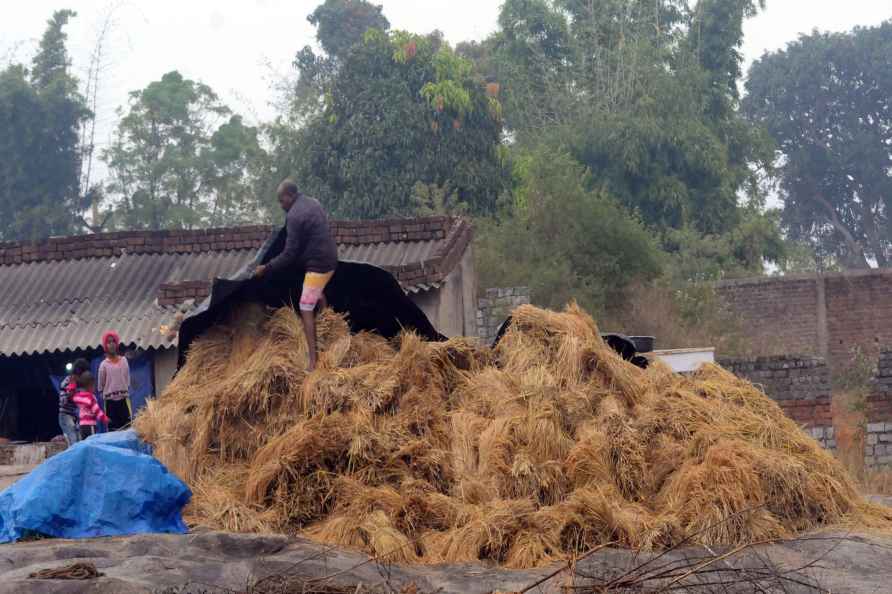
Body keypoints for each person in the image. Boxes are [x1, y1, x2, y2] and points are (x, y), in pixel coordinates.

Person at [254, 179, 338, 371]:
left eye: (281, 200)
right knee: (316, 292)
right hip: (331, 258)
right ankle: (327, 324)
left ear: (289, 196)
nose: (281, 205)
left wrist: (266, 267)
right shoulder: (314, 202)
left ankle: (313, 361)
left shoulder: (294, 216)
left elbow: (289, 253)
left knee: (305, 306)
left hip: (319, 265)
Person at [98, 331, 131, 430]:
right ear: (105, 346)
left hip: (124, 400)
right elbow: (101, 386)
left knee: (128, 428)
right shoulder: (103, 365)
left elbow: (127, 379)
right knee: (113, 430)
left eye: (113, 341)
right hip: (110, 403)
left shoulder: (124, 361)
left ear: (117, 344)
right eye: (108, 342)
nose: (111, 344)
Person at [58, 358, 89, 447]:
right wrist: (71, 393)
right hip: (65, 415)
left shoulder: (82, 383)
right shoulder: (67, 382)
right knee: (74, 442)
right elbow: (63, 402)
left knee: (80, 443)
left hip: (76, 417)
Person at [72, 371, 109, 441]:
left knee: (85, 442)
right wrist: (105, 418)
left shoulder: (79, 396)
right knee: (92, 442)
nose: (94, 388)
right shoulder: (91, 397)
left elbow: (74, 399)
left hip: (82, 425)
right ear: (90, 385)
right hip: (90, 425)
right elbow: (96, 411)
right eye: (94, 385)